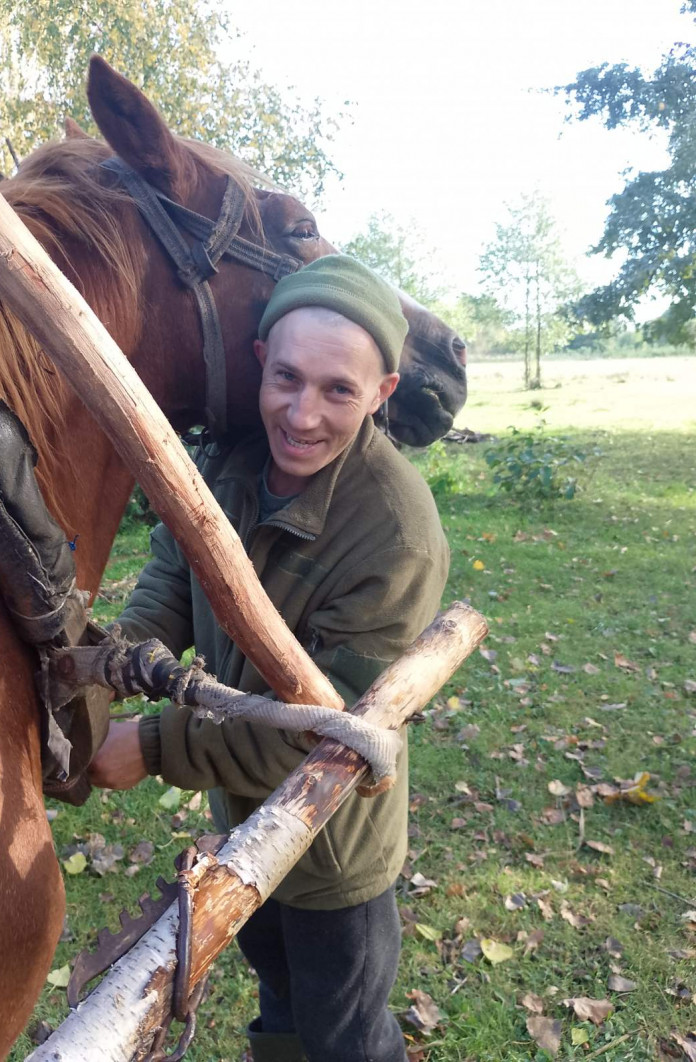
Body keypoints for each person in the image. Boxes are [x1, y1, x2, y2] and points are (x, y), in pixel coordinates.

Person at [89, 255, 450, 1062]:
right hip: (245, 826)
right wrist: (118, 660)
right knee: (281, 1007)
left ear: (382, 393)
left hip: (332, 857)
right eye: (286, 378)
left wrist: (147, 747)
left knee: (346, 1038)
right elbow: (174, 571)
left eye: (338, 391)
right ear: (260, 361)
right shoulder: (236, 464)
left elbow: (326, 737)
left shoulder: (396, 533)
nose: (303, 414)